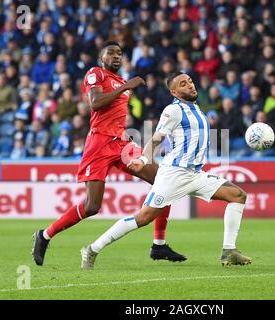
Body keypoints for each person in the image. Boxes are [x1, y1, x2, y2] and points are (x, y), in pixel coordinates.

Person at [32, 41, 186, 266]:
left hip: (120, 144)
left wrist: (123, 131)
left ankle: (158, 245)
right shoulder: (96, 73)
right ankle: (44, 235)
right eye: (111, 52)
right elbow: (95, 103)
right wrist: (125, 88)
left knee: (164, 181)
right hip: (98, 144)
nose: (116, 56)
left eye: (120, 53)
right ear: (101, 57)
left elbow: (114, 115)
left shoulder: (122, 81)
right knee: (92, 206)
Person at [80, 72, 252, 269]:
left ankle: (228, 251)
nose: (190, 85)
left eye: (190, 81)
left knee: (237, 195)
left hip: (195, 174)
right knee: (144, 217)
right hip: (174, 174)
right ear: (174, 92)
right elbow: (156, 138)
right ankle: (92, 249)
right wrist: (143, 159)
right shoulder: (173, 110)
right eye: (183, 84)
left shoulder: (195, 108)